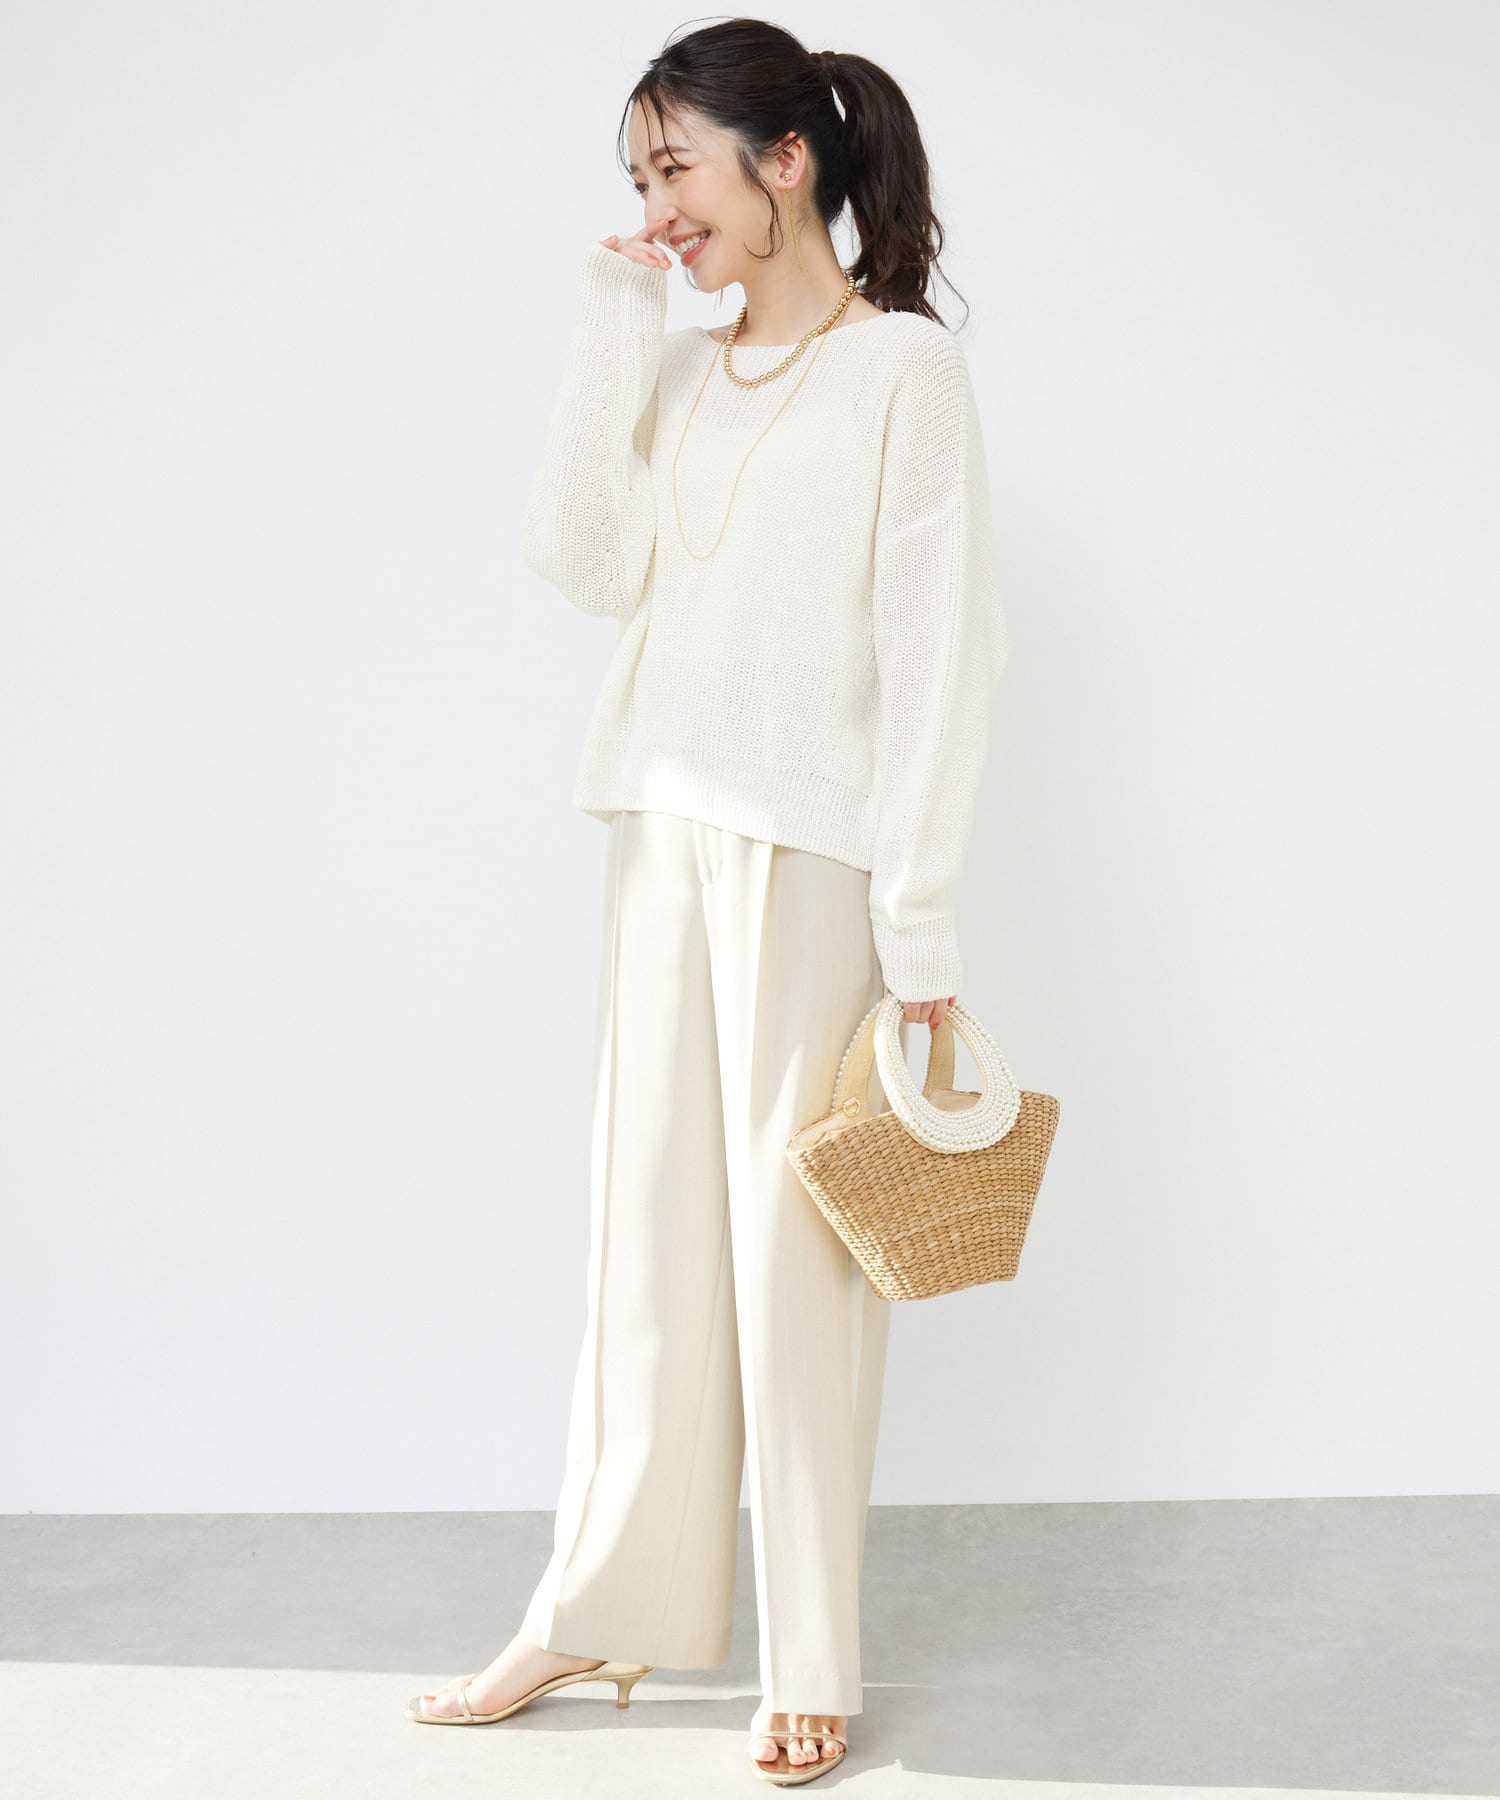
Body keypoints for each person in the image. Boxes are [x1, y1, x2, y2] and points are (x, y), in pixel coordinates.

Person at [405, 17, 1006, 1786]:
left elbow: (939, 661)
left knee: (794, 1264)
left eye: (675, 168)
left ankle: (809, 1651)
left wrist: (920, 919)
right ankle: (599, 1604)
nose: (657, 206)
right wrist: (614, 324)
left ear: (784, 163)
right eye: (640, 177)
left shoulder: (904, 374)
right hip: (660, 827)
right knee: (647, 1249)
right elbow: (586, 562)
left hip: (814, 855)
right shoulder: (674, 371)